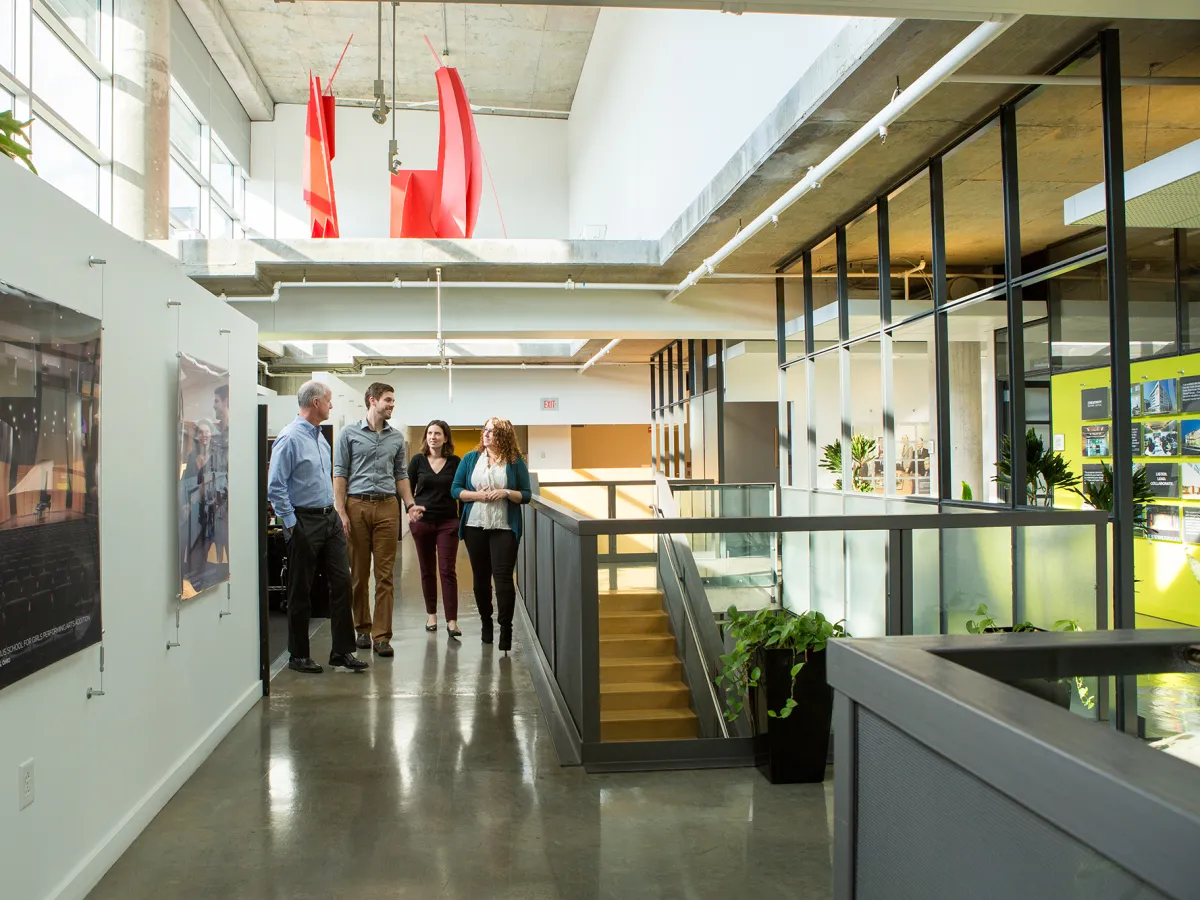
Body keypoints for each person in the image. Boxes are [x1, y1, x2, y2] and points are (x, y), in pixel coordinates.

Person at [267, 380, 367, 674]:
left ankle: (342, 651)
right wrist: (292, 524)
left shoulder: (319, 437)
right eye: (328, 400)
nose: (332, 405)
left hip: (329, 519)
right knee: (301, 590)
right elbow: (275, 486)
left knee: (342, 584)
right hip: (303, 521)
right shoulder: (290, 438)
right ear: (315, 403)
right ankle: (298, 655)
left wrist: (336, 513)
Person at [333, 382, 418, 658]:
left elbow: (401, 475)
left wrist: (410, 504)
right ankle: (362, 628)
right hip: (356, 505)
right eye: (388, 400)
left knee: (385, 576)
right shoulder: (349, 434)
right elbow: (340, 473)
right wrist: (341, 510)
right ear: (372, 401)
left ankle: (382, 637)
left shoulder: (396, 438)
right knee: (358, 574)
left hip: (386, 507)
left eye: (393, 401)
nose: (392, 405)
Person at [450, 417, 532, 654]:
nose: (487, 434)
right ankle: (486, 621)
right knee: (481, 578)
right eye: (485, 430)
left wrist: (505, 492)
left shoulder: (515, 462)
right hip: (475, 525)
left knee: (504, 578)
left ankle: (505, 627)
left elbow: (525, 494)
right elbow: (455, 489)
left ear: (504, 436)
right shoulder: (470, 459)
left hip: (504, 526)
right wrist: (478, 496)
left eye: (493, 431)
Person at [407, 420, 462, 638]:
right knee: (427, 570)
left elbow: (461, 490)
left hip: (448, 522)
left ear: (446, 438)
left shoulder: (455, 462)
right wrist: (411, 510)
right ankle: (431, 614)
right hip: (423, 523)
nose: (433, 437)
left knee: (447, 570)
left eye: (438, 433)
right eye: (429, 433)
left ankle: (452, 621)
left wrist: (461, 520)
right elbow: (406, 489)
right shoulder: (418, 461)